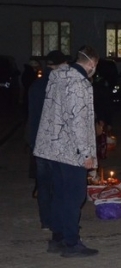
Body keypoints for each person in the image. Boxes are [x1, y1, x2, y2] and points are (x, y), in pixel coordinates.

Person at [33, 46, 100, 257]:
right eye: (95, 67)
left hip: (52, 148)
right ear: (92, 64)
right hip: (71, 151)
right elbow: (78, 122)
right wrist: (86, 154)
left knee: (59, 194)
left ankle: (58, 237)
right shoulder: (79, 85)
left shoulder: (57, 76)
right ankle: (72, 243)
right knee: (74, 196)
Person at [28, 50, 69, 231]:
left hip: (37, 142)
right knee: (57, 183)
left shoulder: (35, 86)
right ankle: (57, 220)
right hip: (53, 142)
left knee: (43, 184)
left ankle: (46, 221)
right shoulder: (56, 86)